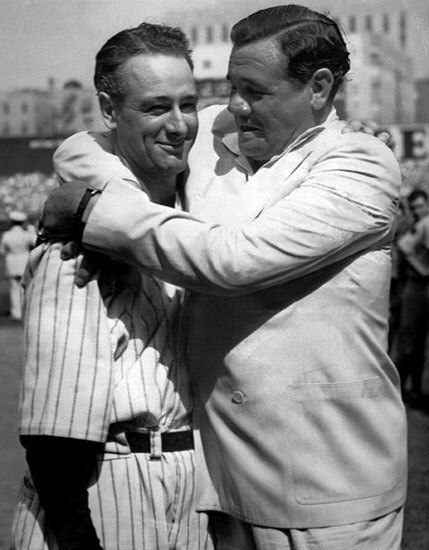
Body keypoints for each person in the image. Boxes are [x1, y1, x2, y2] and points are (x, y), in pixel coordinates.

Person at [40, 5, 407, 549]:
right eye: (231, 86)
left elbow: (233, 262)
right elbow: (84, 145)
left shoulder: (361, 165)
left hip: (331, 488)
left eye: (254, 91)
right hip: (213, 491)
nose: (233, 105)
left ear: (320, 87)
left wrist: (97, 213)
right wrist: (111, 192)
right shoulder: (217, 130)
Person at [11, 22, 213, 550]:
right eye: (155, 107)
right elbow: (55, 433)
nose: (178, 125)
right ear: (108, 110)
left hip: (192, 489)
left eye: (187, 105)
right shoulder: (76, 251)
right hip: (107, 485)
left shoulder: (194, 219)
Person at [395, 188, 429, 403]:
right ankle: (404, 389)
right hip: (416, 285)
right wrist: (423, 270)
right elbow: (403, 246)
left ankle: (414, 389)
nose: (418, 210)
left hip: (420, 285)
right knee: (409, 338)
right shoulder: (419, 224)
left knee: (417, 341)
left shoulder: (424, 223)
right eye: (414, 207)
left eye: (421, 206)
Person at [0, 211, 35, 320]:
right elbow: (35, 243)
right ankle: (27, 311)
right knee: (26, 287)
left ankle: (16, 313)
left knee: (14, 288)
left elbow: (2, 250)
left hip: (12, 261)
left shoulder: (7, 235)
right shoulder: (26, 234)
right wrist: (32, 230)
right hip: (24, 260)